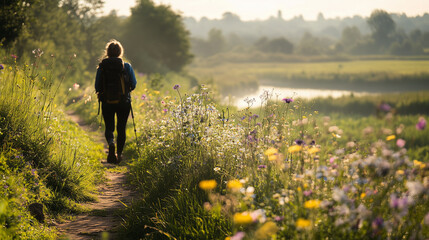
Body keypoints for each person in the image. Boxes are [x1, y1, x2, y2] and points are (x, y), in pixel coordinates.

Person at [95, 40, 137, 164]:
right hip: (124, 101)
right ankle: (119, 154)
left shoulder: (102, 67)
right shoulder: (126, 66)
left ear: (107, 52)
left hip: (107, 101)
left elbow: (97, 86)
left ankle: (111, 143)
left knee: (109, 127)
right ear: (120, 52)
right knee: (121, 128)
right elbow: (133, 84)